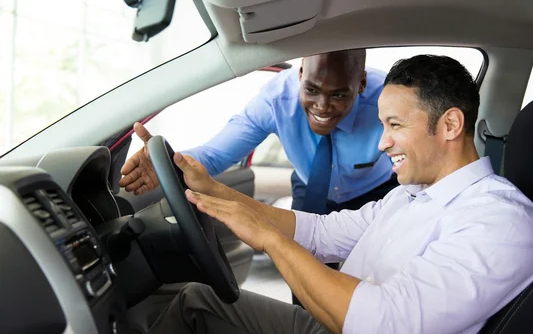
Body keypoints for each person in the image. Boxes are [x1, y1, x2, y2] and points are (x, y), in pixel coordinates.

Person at [132, 55, 533, 334]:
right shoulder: (414, 195)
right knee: (196, 301)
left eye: (395, 126)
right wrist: (213, 190)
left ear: (451, 125)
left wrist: (269, 238)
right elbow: (320, 232)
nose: (382, 143)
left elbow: (380, 330)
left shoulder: (500, 221)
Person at [120, 49, 397, 215]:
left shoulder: (389, 102)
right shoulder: (275, 100)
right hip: (311, 186)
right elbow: (216, 155)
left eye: (338, 94)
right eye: (311, 89)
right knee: (303, 280)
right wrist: (168, 162)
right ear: (300, 74)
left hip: (376, 191)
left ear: (360, 84)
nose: (322, 106)